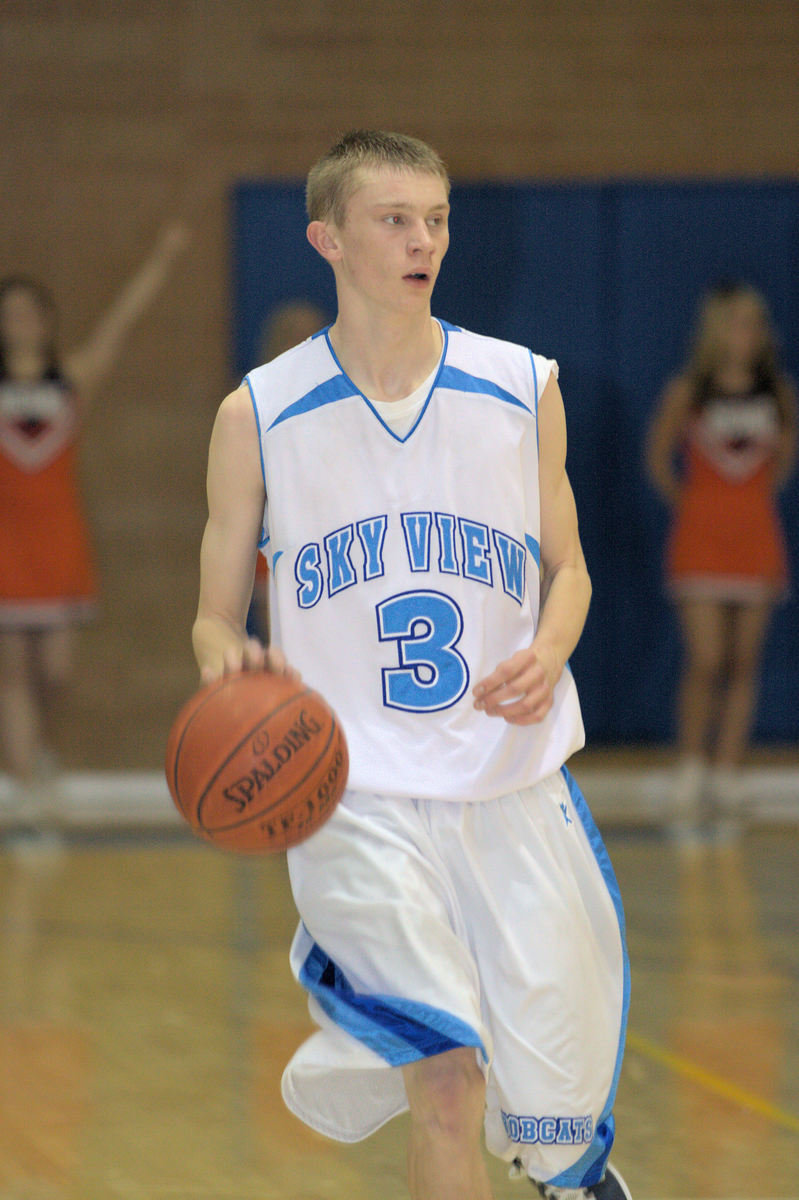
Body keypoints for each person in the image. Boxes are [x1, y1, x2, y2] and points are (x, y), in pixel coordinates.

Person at [193, 131, 630, 1200]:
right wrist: (230, 665)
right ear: (326, 238)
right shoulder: (258, 414)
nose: (422, 240)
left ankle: (572, 1180)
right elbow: (210, 619)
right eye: (394, 220)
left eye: (435, 219)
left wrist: (554, 642)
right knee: (444, 1078)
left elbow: (568, 569)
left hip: (509, 785)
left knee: (554, 1129)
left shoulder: (521, 389)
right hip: (354, 796)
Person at [0, 223, 190, 801]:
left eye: (30, 312)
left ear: (46, 320)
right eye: (11, 313)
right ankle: (27, 788)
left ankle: (39, 752)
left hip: (58, 546)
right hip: (6, 547)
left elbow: (119, 325)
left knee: (54, 674)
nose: (22, 322)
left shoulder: (71, 382)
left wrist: (161, 257)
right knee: (11, 676)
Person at [647, 281, 796, 828]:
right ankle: (691, 765)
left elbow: (782, 462)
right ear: (715, 329)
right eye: (738, 322)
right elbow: (659, 458)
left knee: (744, 661)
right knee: (706, 659)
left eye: (756, 324)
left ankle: (728, 770)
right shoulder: (689, 391)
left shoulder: (778, 393)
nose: (749, 334)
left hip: (756, 540)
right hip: (701, 542)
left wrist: (746, 505)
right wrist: (699, 505)